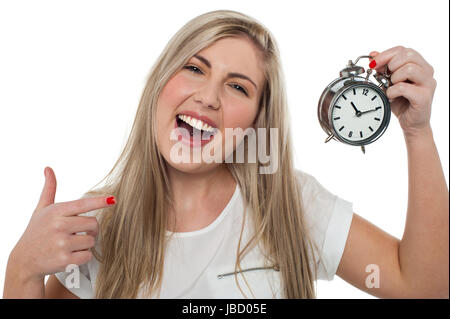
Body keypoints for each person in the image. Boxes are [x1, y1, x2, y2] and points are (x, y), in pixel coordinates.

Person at [3, 9, 448, 299]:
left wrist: (418, 133)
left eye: (238, 86)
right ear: (160, 84)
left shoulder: (290, 206)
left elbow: (426, 288)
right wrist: (21, 270)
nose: (209, 97)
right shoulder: (101, 228)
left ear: (256, 120)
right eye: (194, 68)